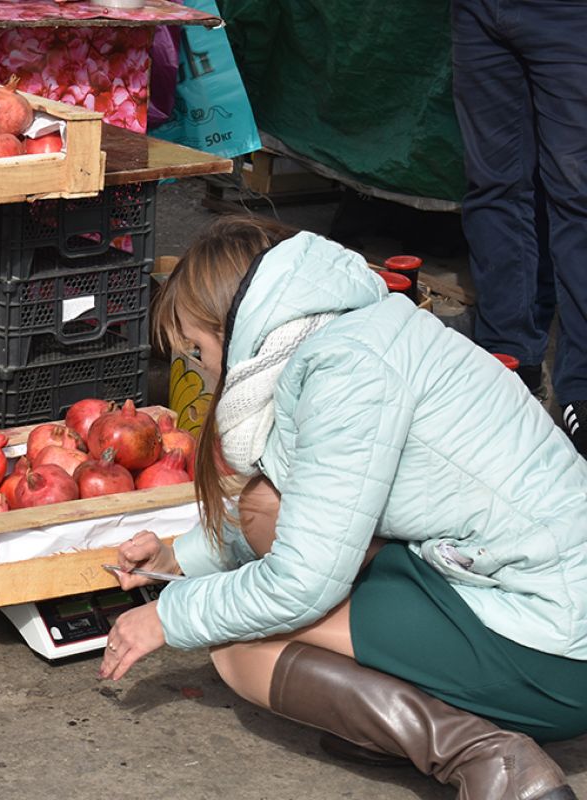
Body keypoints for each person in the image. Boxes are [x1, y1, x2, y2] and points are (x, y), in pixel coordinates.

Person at [102, 216, 587, 800]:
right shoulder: (354, 328)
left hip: (557, 646)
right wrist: (181, 559)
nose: (201, 371)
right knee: (263, 514)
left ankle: (492, 761)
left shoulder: (347, 371)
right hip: (519, 585)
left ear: (233, 323)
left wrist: (168, 616)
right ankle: (397, 717)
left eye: (197, 349)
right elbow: (317, 501)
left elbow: (301, 582)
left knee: (242, 649)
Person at [450, 0, 587, 458]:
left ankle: (581, 388)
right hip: (478, 12)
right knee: (494, 188)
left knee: (578, 196)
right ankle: (509, 363)